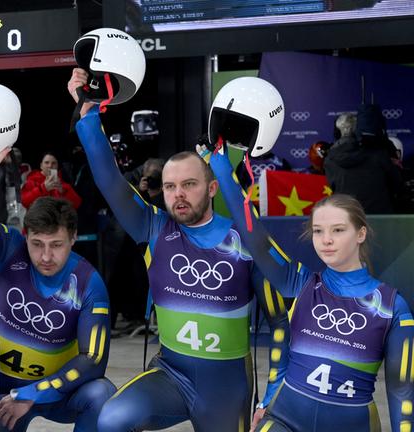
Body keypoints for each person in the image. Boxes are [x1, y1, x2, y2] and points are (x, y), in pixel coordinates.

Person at [69, 68, 289, 432]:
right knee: (111, 418)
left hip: (226, 385)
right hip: (170, 374)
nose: (178, 194)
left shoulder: (245, 242)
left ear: (213, 188)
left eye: (189, 184)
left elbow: (281, 323)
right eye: (170, 186)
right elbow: (110, 182)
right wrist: (89, 114)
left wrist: (272, 396)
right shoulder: (154, 228)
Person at [208, 144, 414, 431]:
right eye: (318, 231)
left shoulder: (392, 308)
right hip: (285, 419)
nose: (326, 240)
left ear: (361, 234)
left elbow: (403, 392)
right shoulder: (299, 283)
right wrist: (219, 164)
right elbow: (256, 238)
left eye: (338, 230)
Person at [0, 148, 115, 431]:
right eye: (37, 244)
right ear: (26, 236)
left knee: (102, 395)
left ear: (74, 238)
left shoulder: (89, 283)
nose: (45, 257)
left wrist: (33, 393)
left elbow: (93, 361)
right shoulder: (9, 248)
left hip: (52, 392)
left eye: (56, 245)